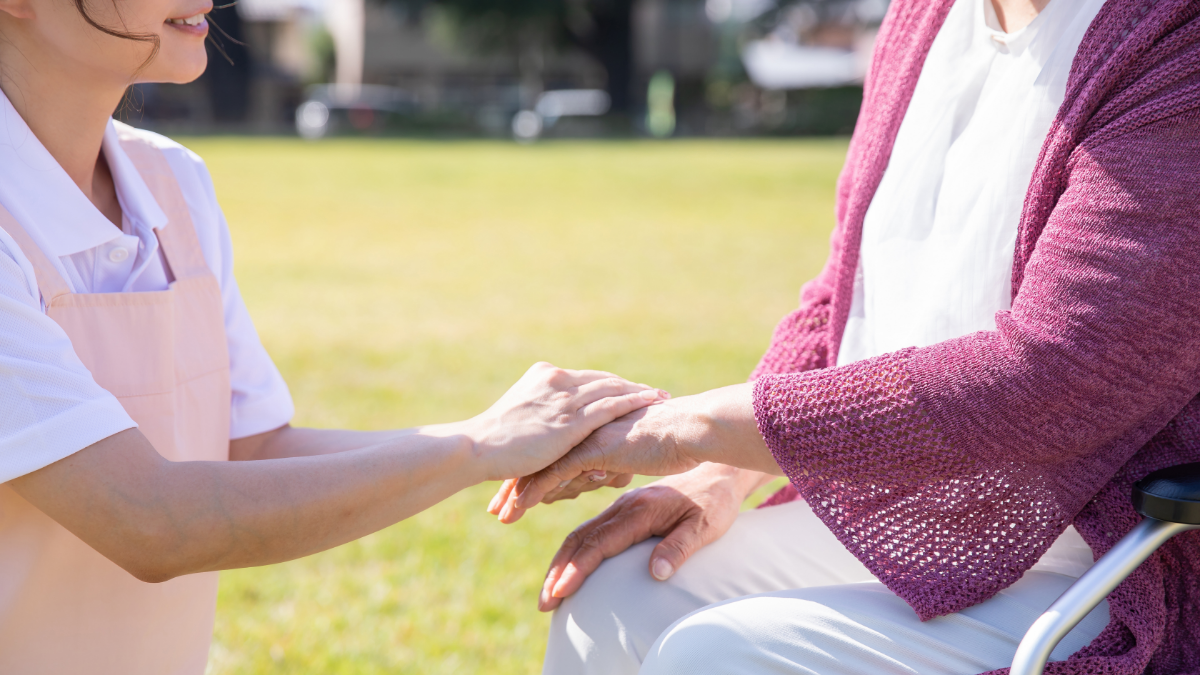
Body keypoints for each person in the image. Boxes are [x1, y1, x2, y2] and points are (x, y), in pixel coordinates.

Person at [491, 0, 1200, 673]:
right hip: (902, 515)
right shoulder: (923, 18)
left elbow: (1049, 379)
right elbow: (841, 294)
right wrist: (721, 475)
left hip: (1104, 560)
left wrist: (691, 429)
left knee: (716, 657)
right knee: (614, 595)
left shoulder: (1173, 42)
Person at [0, 0, 671, 672]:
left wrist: (509, 439)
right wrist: (476, 446)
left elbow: (252, 447)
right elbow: (147, 518)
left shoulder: (172, 183)